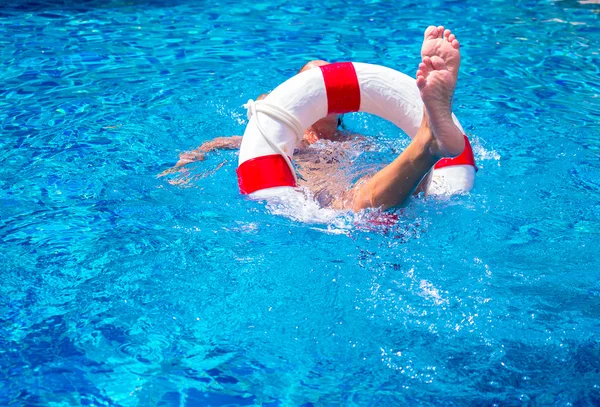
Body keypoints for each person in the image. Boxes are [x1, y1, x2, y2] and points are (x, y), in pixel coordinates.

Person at [161, 26, 465, 212]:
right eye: (315, 85)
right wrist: (195, 156)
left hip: (362, 190)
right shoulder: (290, 141)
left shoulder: (356, 141)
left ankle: (430, 140)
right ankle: (429, 139)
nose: (326, 92)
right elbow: (227, 143)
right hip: (325, 203)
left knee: (404, 190)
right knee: (359, 202)